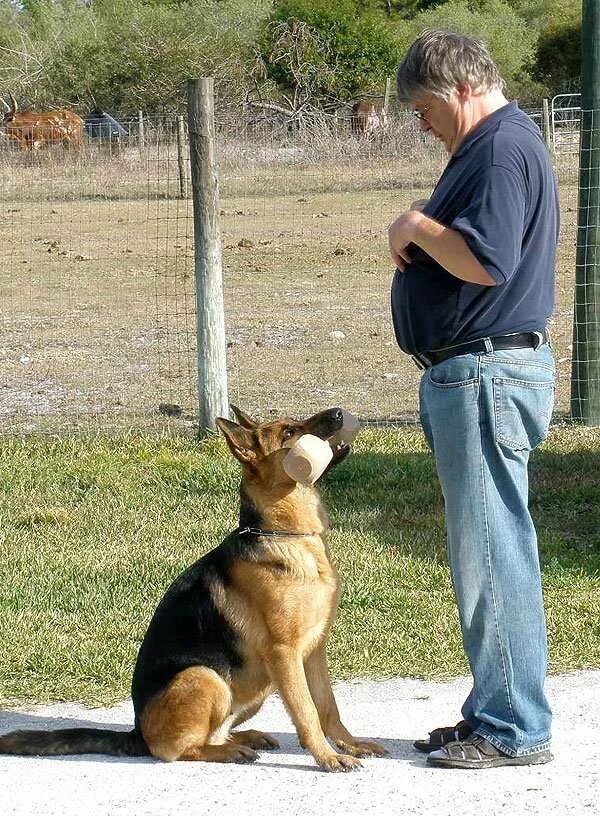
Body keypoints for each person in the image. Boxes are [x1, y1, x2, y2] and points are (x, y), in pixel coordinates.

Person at [388, 30, 558, 769]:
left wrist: (417, 227)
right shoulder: (500, 146)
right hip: (480, 372)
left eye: (423, 107)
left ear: (459, 88)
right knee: (487, 550)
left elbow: (485, 260)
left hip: (486, 374)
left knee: (493, 551)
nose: (420, 123)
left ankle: (513, 726)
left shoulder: (495, 149)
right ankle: (496, 708)